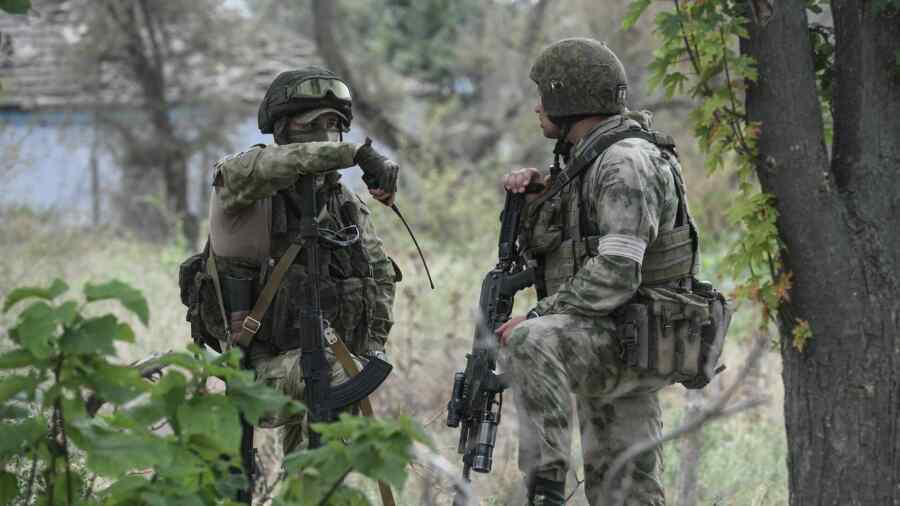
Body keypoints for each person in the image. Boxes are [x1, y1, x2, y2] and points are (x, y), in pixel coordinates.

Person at [497, 38, 700, 505]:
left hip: (630, 336)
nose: (537, 108)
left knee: (532, 339)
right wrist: (536, 201)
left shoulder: (624, 161)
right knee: (621, 490)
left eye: (545, 96)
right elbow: (566, 248)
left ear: (570, 98)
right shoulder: (589, 159)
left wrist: (537, 316)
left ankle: (545, 490)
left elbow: (616, 270)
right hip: (610, 331)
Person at [205, 65, 401, 454]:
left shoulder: (345, 207)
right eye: (312, 125)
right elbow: (279, 163)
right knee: (334, 374)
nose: (325, 137)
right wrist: (354, 153)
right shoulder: (243, 180)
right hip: (257, 375)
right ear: (283, 130)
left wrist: (370, 351)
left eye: (333, 126)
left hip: (321, 363)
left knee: (319, 469)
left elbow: (379, 280)